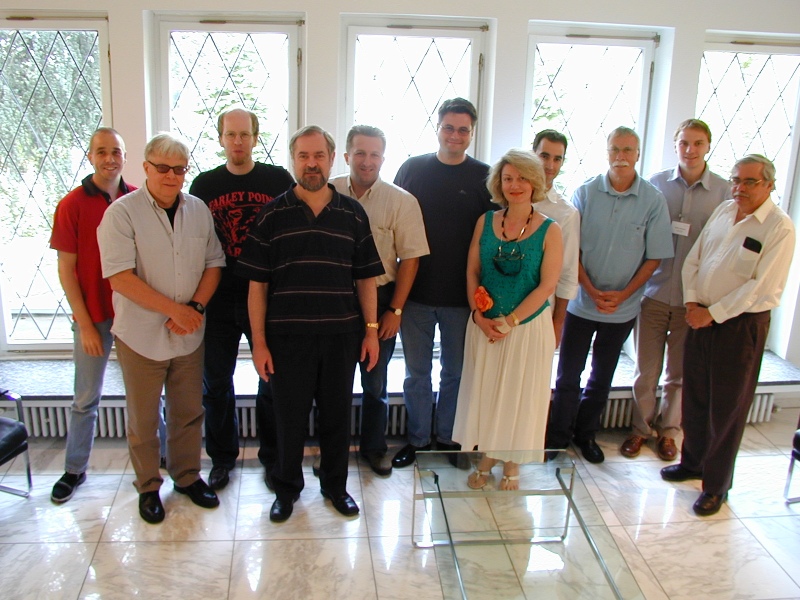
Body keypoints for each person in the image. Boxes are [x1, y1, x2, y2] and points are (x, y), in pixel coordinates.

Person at [236, 125, 384, 523]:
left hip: (341, 336)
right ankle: (286, 489)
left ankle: (335, 486)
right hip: (286, 339)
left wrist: (371, 331)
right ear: (294, 160)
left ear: (332, 159)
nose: (311, 163)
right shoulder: (272, 214)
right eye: (303, 156)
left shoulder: (352, 213)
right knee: (288, 420)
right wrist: (259, 343)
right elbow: (256, 286)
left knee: (337, 417)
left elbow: (366, 279)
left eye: (319, 155)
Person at [98, 133, 226, 524]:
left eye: (180, 169)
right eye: (163, 168)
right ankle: (148, 486)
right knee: (144, 419)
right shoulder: (121, 214)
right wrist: (175, 310)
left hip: (189, 333)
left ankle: (186, 477)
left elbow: (214, 263)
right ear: (146, 168)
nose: (172, 176)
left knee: (188, 411)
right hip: (140, 335)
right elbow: (120, 277)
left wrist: (195, 308)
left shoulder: (198, 210)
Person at [661, 154, 795, 516]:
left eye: (750, 181)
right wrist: (693, 302)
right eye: (736, 180)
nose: (740, 188)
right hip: (699, 316)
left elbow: (759, 286)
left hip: (740, 326)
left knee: (727, 408)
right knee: (695, 396)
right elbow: (694, 259)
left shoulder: (779, 228)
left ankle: (716, 486)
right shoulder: (723, 211)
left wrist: (713, 313)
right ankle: (692, 463)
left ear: (769, 185)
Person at [546, 126, 673, 464]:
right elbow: (571, 251)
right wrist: (589, 289)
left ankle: (585, 435)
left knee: (601, 377)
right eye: (615, 149)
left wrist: (623, 294)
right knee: (568, 376)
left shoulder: (653, 200)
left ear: (638, 155)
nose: (621, 156)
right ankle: (557, 438)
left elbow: (655, 257)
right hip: (580, 304)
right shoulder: (585, 193)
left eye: (628, 150)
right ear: (606, 153)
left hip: (623, 309)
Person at [189, 108, 294, 491]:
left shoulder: (278, 180)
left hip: (266, 296)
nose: (237, 141)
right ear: (220, 138)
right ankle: (222, 459)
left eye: (244, 134)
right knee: (216, 383)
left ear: (255, 137)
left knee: (271, 380)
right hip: (218, 297)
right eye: (230, 134)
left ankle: (272, 457)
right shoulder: (203, 185)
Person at [392, 98, 495, 469]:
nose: (455, 135)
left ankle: (449, 438)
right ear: (437, 128)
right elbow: (393, 225)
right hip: (414, 294)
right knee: (416, 374)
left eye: (463, 129)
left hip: (462, 299)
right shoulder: (412, 169)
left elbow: (492, 238)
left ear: (472, 133)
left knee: (456, 374)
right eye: (449, 127)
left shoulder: (485, 177)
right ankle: (418, 440)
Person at [453, 149, 562, 489]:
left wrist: (511, 321)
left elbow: (547, 286)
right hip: (485, 326)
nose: (515, 185)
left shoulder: (551, 230)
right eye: (508, 178)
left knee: (519, 397)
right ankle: (487, 457)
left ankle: (513, 462)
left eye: (523, 178)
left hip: (526, 328)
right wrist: (477, 314)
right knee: (487, 394)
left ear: (535, 182)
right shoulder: (485, 221)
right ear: (499, 183)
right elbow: (472, 271)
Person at [622, 119, 730, 461]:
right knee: (646, 370)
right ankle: (640, 429)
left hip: (692, 300)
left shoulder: (725, 192)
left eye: (697, 143)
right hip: (653, 293)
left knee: (679, 374)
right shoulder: (655, 185)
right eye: (684, 143)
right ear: (675, 145)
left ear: (708, 146)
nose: (690, 150)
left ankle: (669, 433)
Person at [330, 125, 429, 476]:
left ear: (383, 159)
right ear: (347, 156)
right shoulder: (327, 193)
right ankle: (333, 451)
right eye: (360, 153)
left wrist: (395, 310)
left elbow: (411, 259)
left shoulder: (401, 201)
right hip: (334, 298)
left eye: (374, 154)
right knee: (334, 384)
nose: (366, 161)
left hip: (383, 298)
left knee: (375, 383)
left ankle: (374, 448)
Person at [49, 128, 135, 503]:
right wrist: (84, 324)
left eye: (116, 151)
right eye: (102, 151)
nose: (109, 158)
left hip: (132, 313)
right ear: (90, 157)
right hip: (94, 316)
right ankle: (74, 469)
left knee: (145, 395)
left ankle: (162, 456)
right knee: (86, 398)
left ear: (125, 157)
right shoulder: (71, 204)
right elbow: (66, 270)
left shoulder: (138, 198)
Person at [532, 129, 580, 346]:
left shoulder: (566, 213)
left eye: (557, 159)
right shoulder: (505, 197)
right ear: (533, 154)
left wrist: (558, 322)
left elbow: (568, 271)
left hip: (541, 310)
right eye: (544, 156)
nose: (550, 165)